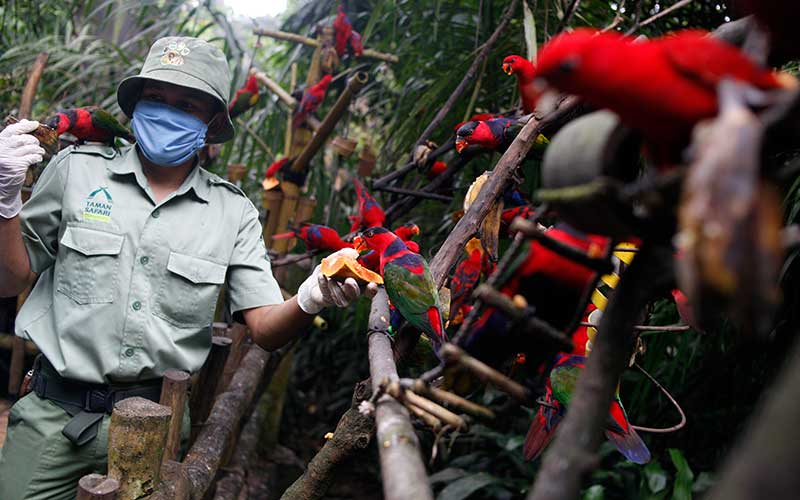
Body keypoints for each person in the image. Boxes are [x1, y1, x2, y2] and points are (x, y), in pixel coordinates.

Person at [0, 36, 371, 500]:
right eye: (156, 98)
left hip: (160, 425)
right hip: (53, 417)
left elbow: (265, 328)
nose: (167, 112)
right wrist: (4, 201)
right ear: (136, 106)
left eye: (187, 104)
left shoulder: (232, 212)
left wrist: (310, 297)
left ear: (213, 120)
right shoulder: (77, 171)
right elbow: (8, 278)